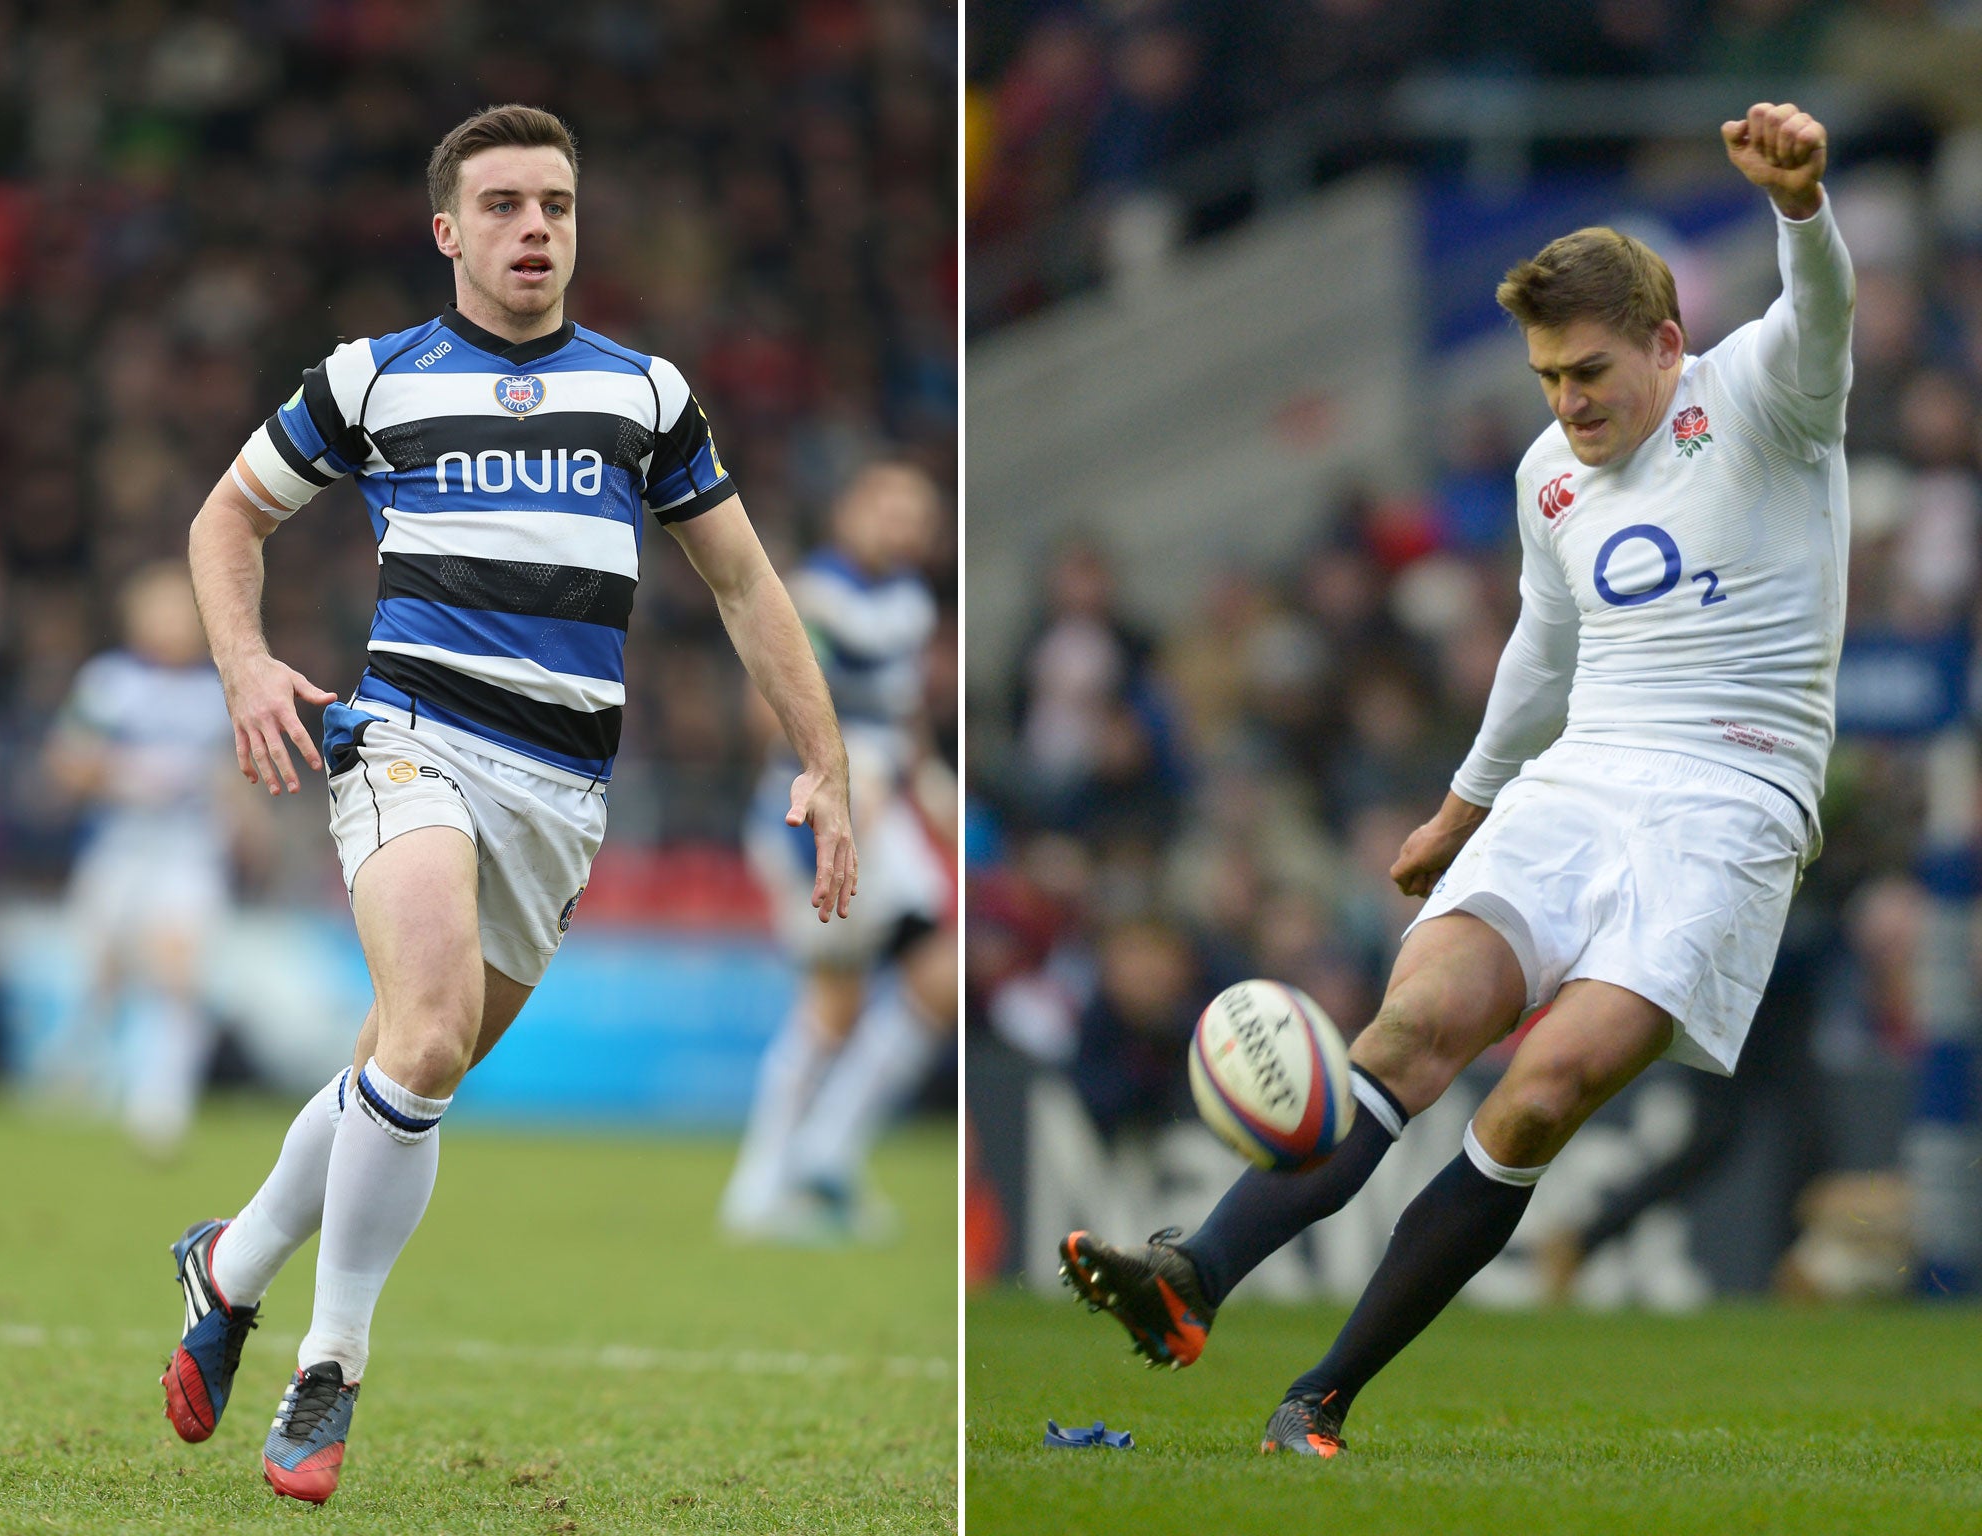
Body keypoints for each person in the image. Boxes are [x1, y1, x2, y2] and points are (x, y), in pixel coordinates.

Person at [1061, 102, 1852, 1457]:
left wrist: (1800, 207)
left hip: (1732, 801)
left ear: (1668, 344)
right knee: (1409, 1031)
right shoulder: (1553, 472)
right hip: (1580, 781)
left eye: (1591, 371)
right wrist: (1462, 808)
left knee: (1539, 1095)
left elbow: (1824, 310)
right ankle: (1191, 1281)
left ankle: (1323, 1394)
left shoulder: (1769, 398)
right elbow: (1544, 652)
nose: (1568, 403)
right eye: (1547, 377)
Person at [161, 104, 857, 1503]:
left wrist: (828, 765)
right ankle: (331, 1364)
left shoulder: (645, 396)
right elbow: (224, 518)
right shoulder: (373, 379)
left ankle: (229, 1266)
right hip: (407, 745)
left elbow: (744, 584)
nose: (534, 226)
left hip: (561, 799)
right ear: (447, 231)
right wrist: (243, 669)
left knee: (399, 1073)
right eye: (502, 205)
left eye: (555, 202)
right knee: (420, 1043)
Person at [723, 461, 955, 1242]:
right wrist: (839, 773)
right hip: (815, 821)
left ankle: (825, 1154)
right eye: (890, 507)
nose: (905, 526)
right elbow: (765, 715)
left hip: (889, 819)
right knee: (834, 1004)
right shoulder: (810, 596)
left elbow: (908, 715)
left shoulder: (912, 605)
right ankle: (760, 1188)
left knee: (941, 978)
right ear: (852, 509)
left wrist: (934, 792)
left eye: (918, 514)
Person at [48, 563, 238, 1155]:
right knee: (103, 976)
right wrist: (126, 776)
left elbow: (233, 780)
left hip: (186, 853)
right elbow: (65, 765)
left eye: (183, 613)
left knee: (177, 971)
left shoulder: (218, 692)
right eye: (160, 612)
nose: (172, 624)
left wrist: (242, 826)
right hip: (119, 848)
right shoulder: (109, 683)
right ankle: (77, 1075)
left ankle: (161, 1101)